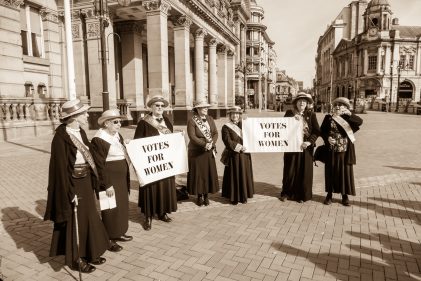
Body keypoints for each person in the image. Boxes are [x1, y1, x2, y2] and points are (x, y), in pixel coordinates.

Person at [44, 99, 110, 273]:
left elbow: (88, 156)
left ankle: (92, 251)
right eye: (84, 113)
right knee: (77, 221)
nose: (87, 115)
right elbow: (59, 170)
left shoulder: (80, 131)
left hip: (86, 181)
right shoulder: (60, 138)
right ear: (74, 116)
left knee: (90, 216)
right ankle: (76, 259)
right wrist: (68, 191)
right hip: (72, 184)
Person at [133, 96, 177, 230]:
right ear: (151, 107)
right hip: (150, 163)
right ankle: (148, 216)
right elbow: (137, 142)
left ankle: (162, 212)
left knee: (164, 186)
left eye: (162, 106)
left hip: (165, 162)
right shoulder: (143, 123)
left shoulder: (168, 122)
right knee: (150, 188)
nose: (159, 108)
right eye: (156, 105)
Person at [91, 109, 132, 252]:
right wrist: (106, 184)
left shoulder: (116, 135)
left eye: (120, 121)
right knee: (109, 208)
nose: (119, 124)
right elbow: (99, 165)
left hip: (120, 178)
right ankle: (108, 238)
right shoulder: (99, 139)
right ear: (107, 123)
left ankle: (118, 232)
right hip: (109, 180)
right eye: (116, 122)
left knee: (121, 206)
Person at [320, 97, 363, 206]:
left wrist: (350, 114)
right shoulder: (328, 118)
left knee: (344, 173)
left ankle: (345, 196)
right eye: (336, 105)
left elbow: (360, 122)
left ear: (345, 107)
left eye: (341, 105)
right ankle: (329, 195)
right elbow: (322, 131)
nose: (338, 106)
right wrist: (328, 138)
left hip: (345, 150)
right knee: (331, 172)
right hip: (332, 150)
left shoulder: (347, 118)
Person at [279, 92, 320, 203]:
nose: (302, 103)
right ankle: (286, 193)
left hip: (305, 148)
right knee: (290, 170)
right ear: (296, 103)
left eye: (304, 101)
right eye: (299, 101)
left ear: (307, 103)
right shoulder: (289, 113)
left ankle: (302, 195)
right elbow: (281, 128)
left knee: (304, 171)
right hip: (292, 147)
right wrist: (292, 121)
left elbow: (316, 131)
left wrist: (309, 142)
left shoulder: (311, 115)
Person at [187, 100, 219, 206]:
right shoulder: (192, 120)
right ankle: (199, 195)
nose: (206, 109)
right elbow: (192, 137)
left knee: (207, 173)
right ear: (198, 109)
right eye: (203, 107)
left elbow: (215, 133)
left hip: (208, 150)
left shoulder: (210, 119)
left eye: (206, 107)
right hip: (196, 151)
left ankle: (206, 195)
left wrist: (212, 143)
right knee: (198, 174)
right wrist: (204, 144)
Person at [221, 106, 254, 205]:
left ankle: (244, 195)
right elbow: (227, 141)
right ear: (230, 115)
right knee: (234, 174)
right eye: (233, 114)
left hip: (245, 155)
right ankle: (234, 196)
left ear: (239, 115)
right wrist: (239, 147)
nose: (235, 115)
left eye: (237, 114)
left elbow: (253, 135)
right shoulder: (226, 127)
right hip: (234, 154)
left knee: (244, 173)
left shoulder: (245, 124)